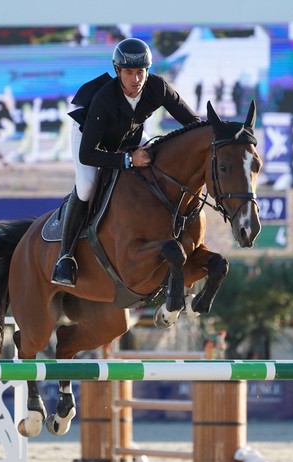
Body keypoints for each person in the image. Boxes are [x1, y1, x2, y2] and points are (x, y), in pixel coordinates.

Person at [51, 37, 201, 287]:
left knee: (157, 160)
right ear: (117, 71)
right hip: (90, 138)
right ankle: (65, 257)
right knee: (87, 185)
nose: (136, 79)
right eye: (129, 72)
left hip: (128, 133)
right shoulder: (103, 99)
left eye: (140, 72)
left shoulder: (158, 87)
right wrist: (129, 160)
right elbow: (88, 154)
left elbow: (193, 123)